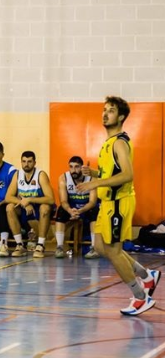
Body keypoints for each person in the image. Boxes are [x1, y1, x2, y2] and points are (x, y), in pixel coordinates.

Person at [76, 97, 160, 316]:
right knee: (102, 247)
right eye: (104, 110)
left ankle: (141, 297)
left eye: (110, 111)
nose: (105, 114)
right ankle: (146, 275)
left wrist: (95, 182)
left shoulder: (120, 142)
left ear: (121, 116)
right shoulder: (108, 142)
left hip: (119, 203)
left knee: (113, 251)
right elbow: (110, 173)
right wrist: (94, 174)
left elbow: (127, 175)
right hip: (108, 203)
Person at [5, 151, 55, 258]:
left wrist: (30, 200)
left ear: (34, 162)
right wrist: (24, 203)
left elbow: (51, 199)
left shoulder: (41, 175)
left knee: (45, 208)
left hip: (39, 206)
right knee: (9, 207)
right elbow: (8, 197)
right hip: (25, 206)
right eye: (24, 161)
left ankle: (40, 245)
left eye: (29, 161)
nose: (26, 164)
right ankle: (20, 245)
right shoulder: (17, 175)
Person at [54, 156, 99, 259]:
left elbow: (92, 202)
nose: (73, 170)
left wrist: (81, 210)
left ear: (82, 168)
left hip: (86, 207)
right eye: (71, 167)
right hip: (72, 208)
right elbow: (63, 201)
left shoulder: (91, 178)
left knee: (95, 211)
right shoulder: (63, 178)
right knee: (61, 210)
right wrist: (70, 210)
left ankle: (94, 248)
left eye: (77, 167)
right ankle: (59, 247)